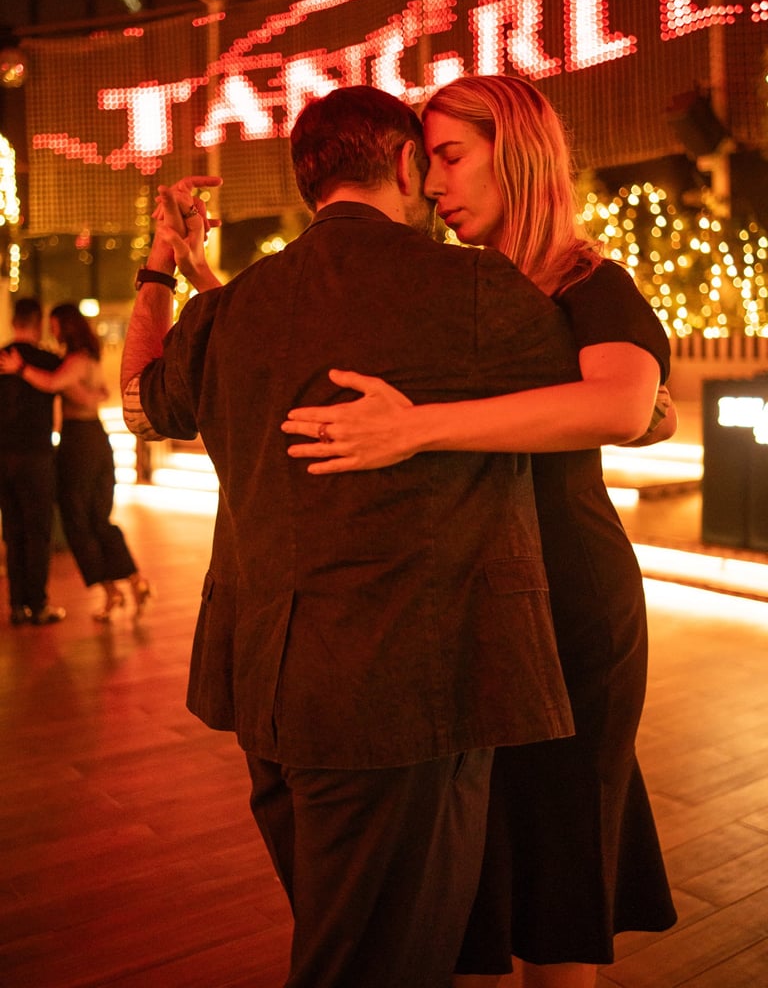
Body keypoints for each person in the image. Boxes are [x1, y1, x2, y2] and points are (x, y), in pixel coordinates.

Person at [118, 87, 584, 988]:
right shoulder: (472, 288)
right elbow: (626, 402)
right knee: (370, 965)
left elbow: (139, 401)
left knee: (360, 940)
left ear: (309, 186)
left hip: (268, 688)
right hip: (402, 694)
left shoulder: (236, 308)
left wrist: (163, 264)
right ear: (405, 165)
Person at [281, 75, 678, 988]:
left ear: (520, 150)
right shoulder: (463, 289)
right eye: (430, 164)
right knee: (472, 874)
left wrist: (419, 427)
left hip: (569, 601)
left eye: (452, 157)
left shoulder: (589, 280)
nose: (431, 185)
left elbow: (623, 405)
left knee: (556, 878)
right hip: (471, 603)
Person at [0, 303, 151, 621]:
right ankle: (128, 583)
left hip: (80, 444)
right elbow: (91, 394)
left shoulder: (71, 361)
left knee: (77, 522)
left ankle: (115, 589)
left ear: (64, 327)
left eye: (55, 327)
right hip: (85, 441)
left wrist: (21, 369)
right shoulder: (76, 359)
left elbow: (58, 385)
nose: (51, 333)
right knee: (92, 519)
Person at [0, 297, 66, 625]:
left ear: (14, 322)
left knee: (12, 532)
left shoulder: (0, 357)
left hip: (3, 458)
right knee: (38, 533)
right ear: (38, 322)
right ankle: (38, 605)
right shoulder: (49, 360)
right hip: (37, 456)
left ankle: (15, 606)